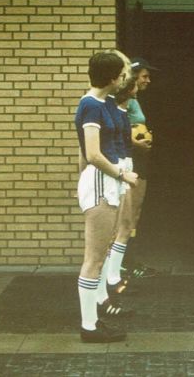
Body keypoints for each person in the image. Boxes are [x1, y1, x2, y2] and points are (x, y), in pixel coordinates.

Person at [74, 51, 138, 343]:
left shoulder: (105, 102)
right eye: (121, 75)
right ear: (112, 78)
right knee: (94, 258)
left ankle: (95, 317)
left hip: (107, 181)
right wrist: (122, 174)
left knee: (99, 256)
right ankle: (89, 327)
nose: (125, 79)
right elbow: (92, 154)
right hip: (102, 180)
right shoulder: (90, 105)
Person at [104, 57, 157, 290]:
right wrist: (136, 143)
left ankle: (124, 263)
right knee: (127, 216)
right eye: (144, 76)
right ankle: (120, 267)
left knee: (133, 214)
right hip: (128, 161)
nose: (148, 80)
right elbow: (116, 133)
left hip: (138, 160)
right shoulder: (118, 104)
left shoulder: (134, 101)